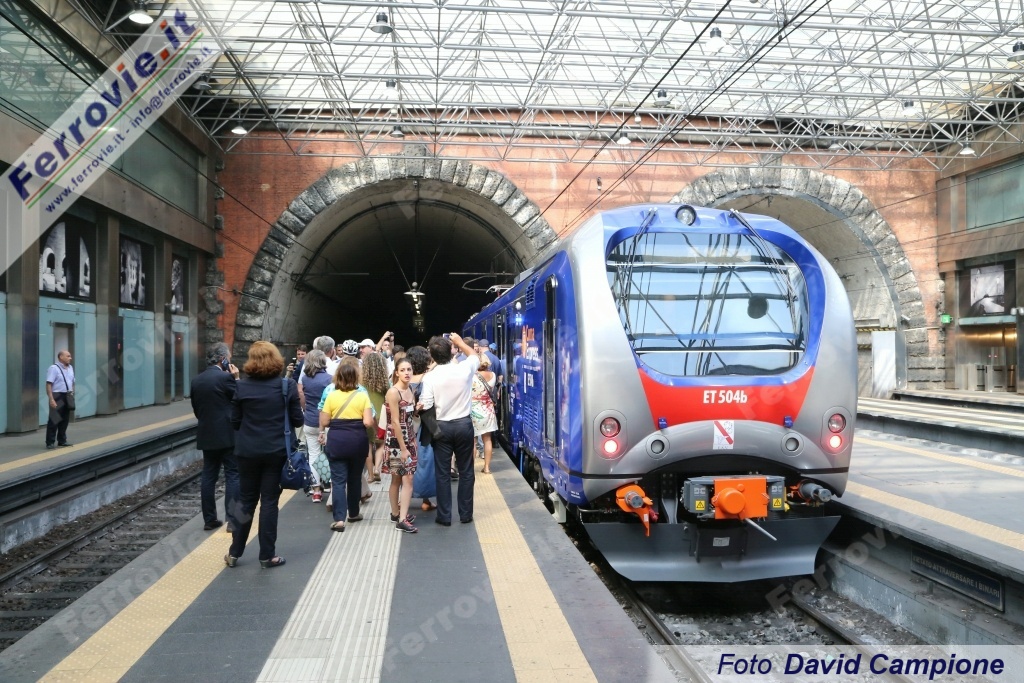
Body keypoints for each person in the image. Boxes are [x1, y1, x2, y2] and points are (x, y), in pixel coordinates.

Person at [226, 341, 301, 569]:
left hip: (247, 452)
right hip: (276, 453)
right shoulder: (286, 386)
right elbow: (298, 420)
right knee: (269, 501)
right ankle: (267, 555)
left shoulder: (241, 387)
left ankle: (234, 553)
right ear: (276, 360)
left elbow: (234, 421)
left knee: (245, 500)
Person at [417, 333, 479, 526]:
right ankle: (466, 514)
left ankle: (444, 516)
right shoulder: (464, 369)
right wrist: (460, 342)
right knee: (466, 471)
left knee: (442, 473)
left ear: (433, 357)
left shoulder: (430, 377)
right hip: (463, 425)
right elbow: (475, 356)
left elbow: (426, 404)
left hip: (441, 427)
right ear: (452, 352)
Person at [190, 343, 241, 531]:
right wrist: (237, 379)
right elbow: (240, 400)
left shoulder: (196, 380)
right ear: (223, 359)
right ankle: (232, 520)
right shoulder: (226, 378)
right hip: (227, 435)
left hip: (207, 434)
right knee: (233, 475)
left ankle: (209, 519)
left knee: (208, 476)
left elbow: (197, 410)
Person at [319, 362, 374, 531]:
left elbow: (324, 421)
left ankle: (339, 520)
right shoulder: (362, 396)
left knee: (338, 481)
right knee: (355, 478)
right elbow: (368, 422)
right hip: (357, 441)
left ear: (338, 378)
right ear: (356, 378)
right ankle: (354, 513)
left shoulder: (331, 396)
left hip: (337, 441)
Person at [384, 358, 418, 533]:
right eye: (403, 370)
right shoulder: (393, 392)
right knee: (406, 478)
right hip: (397, 441)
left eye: (409, 369)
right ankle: (402, 520)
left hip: (409, 437)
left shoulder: (410, 389)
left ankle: (396, 513)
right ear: (396, 373)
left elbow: (410, 416)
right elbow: (395, 422)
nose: (406, 373)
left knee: (399, 477)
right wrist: (404, 449)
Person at [298, 349, 332, 503]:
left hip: (310, 420)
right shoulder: (329, 379)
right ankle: (331, 486)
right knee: (330, 454)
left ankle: (316, 491)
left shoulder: (305, 379)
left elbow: (301, 396)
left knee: (313, 454)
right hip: (327, 421)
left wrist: (306, 409)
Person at [361, 352, 391, 482]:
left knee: (367, 445)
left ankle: (370, 475)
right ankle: (377, 468)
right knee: (380, 444)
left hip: (366, 416)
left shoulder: (361, 382)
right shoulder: (385, 382)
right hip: (381, 417)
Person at [471, 358, 498, 474]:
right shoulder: (492, 375)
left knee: (472, 441)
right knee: (487, 440)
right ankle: (487, 467)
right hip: (487, 410)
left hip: (473, 410)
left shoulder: (471, 376)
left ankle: (471, 469)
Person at [45, 350, 75, 449]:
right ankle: (50, 442)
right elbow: (49, 384)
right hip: (57, 395)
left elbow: (72, 382)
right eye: (68, 356)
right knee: (54, 419)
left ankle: (62, 440)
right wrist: (51, 399)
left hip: (67, 395)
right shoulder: (54, 368)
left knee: (65, 419)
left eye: (70, 356)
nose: (70, 358)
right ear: (61, 357)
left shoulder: (70, 368)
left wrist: (72, 393)